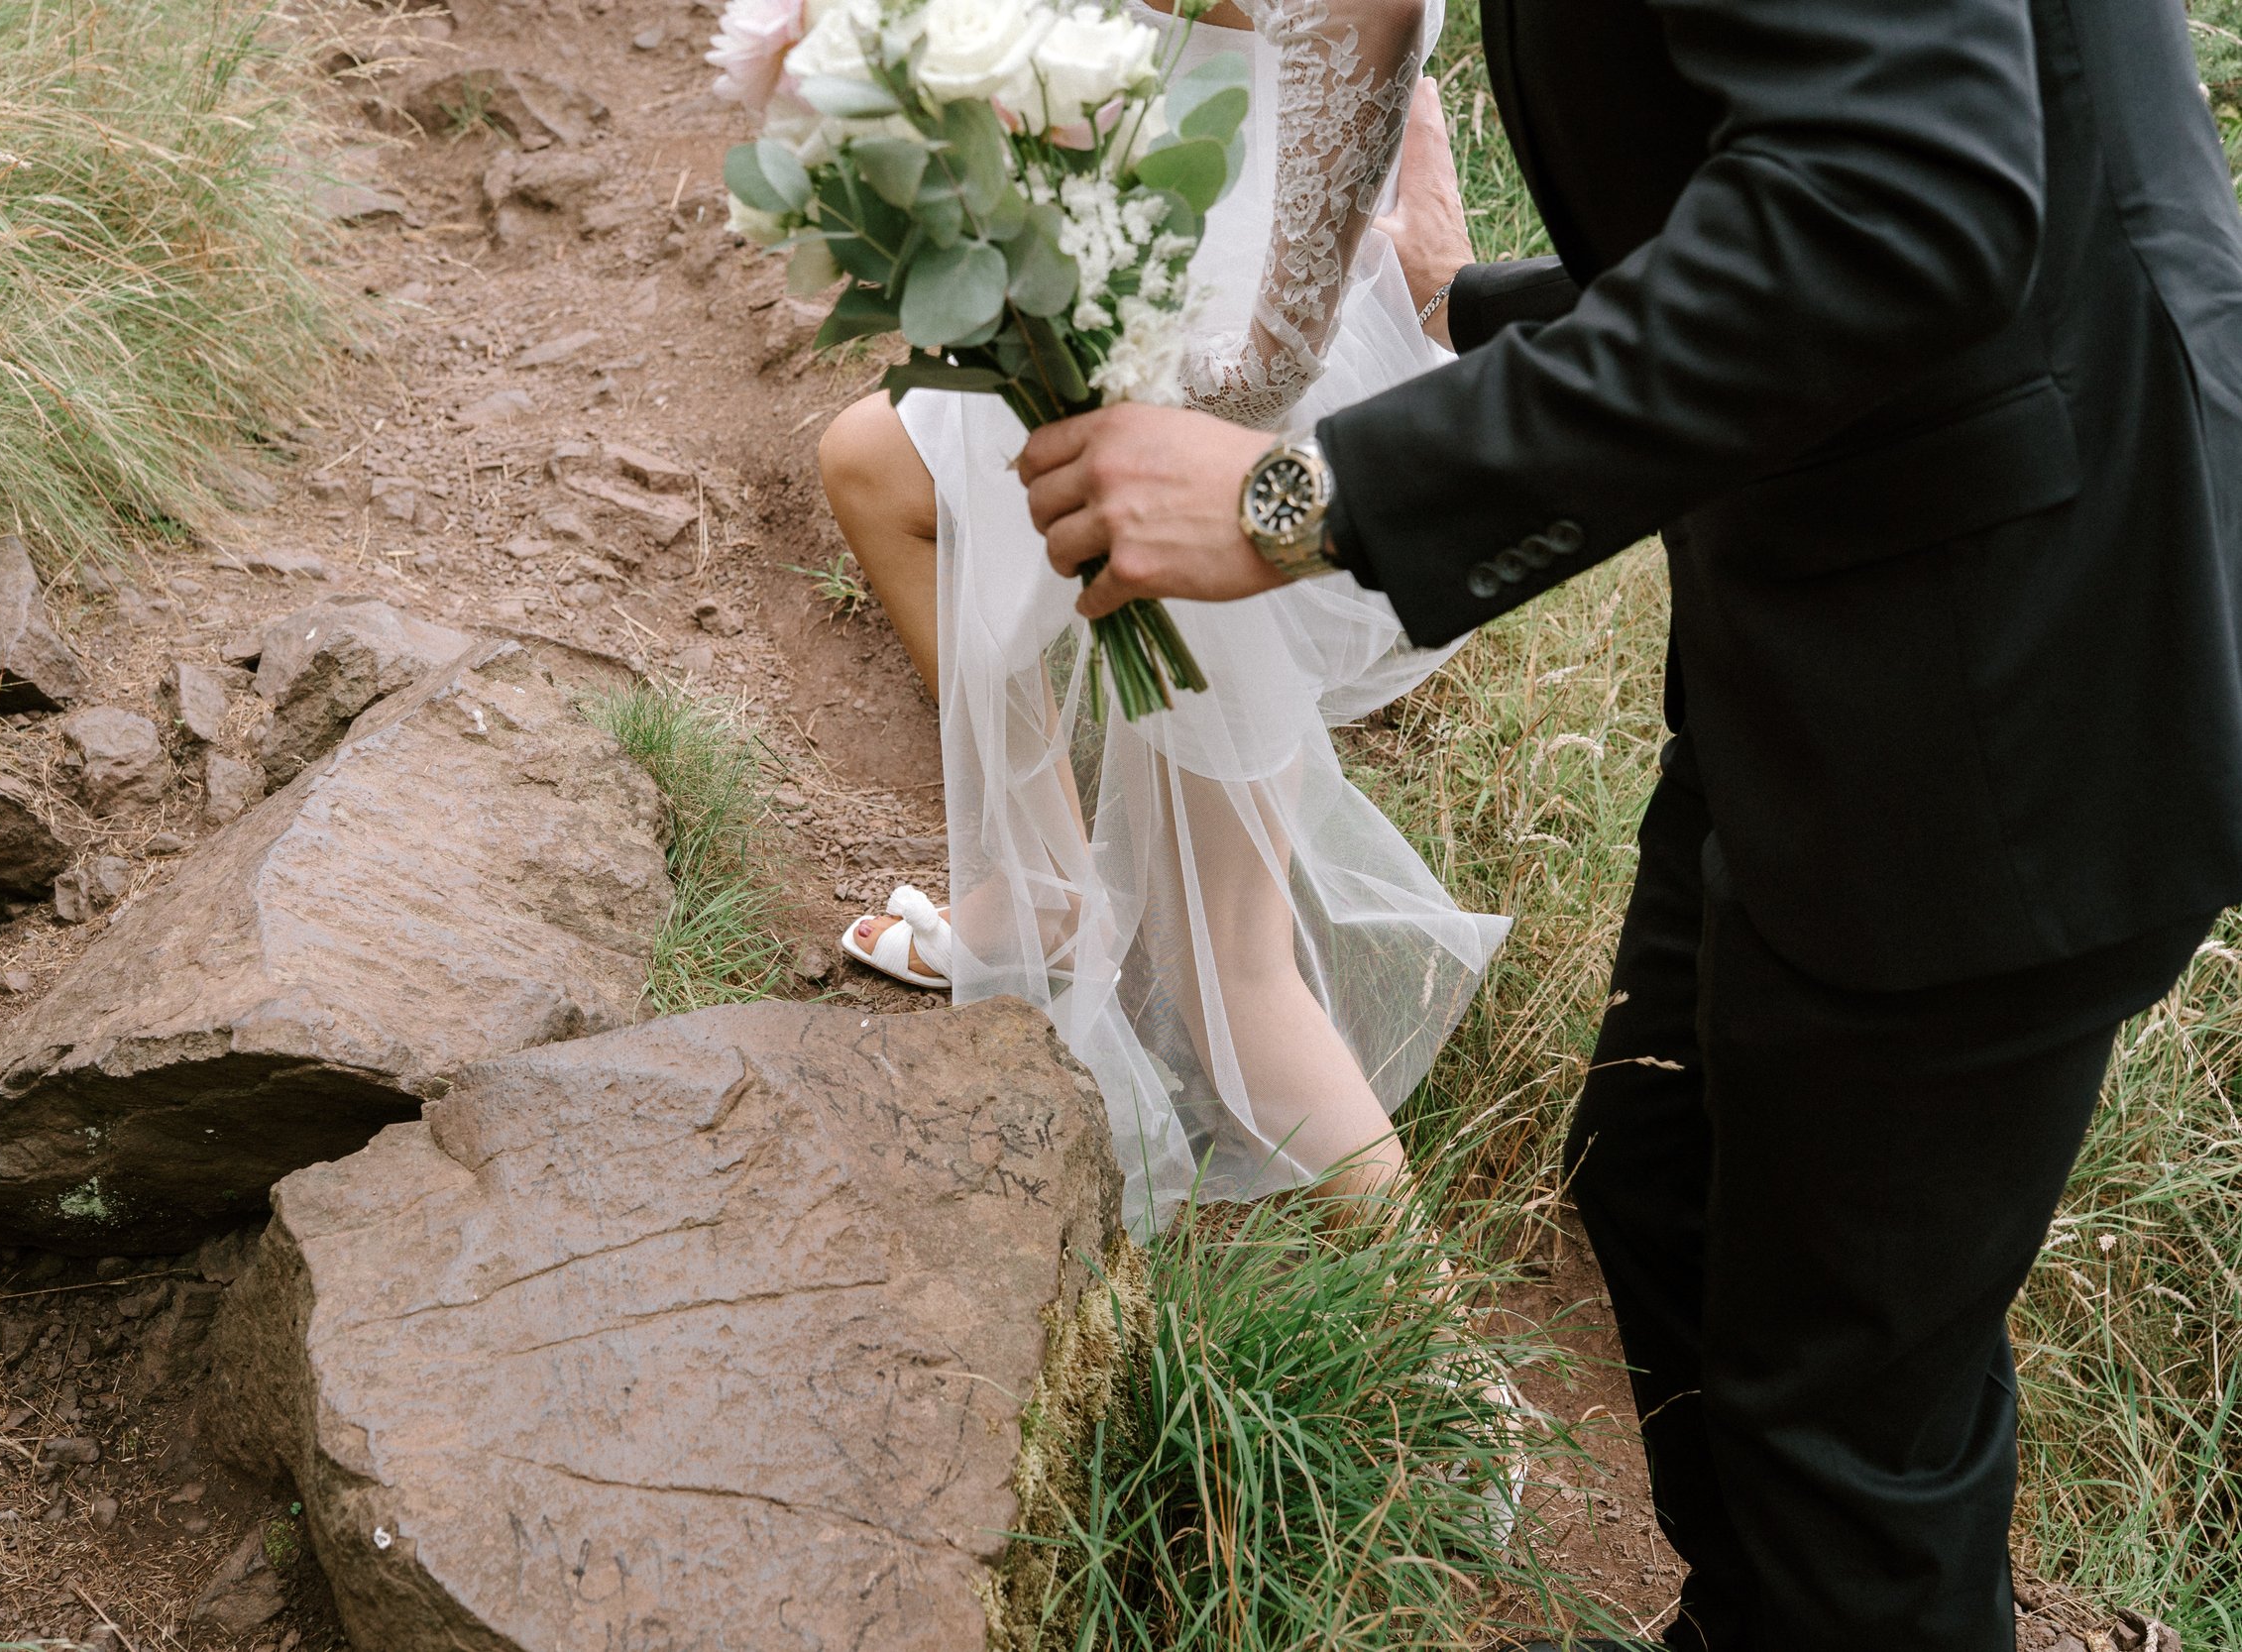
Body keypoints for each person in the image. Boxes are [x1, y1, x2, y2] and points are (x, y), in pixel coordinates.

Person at [1015, 0, 2242, 1646]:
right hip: (1870, 606)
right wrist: (1476, 314)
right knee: (1664, 1175)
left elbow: (1893, 204)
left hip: (2012, 668)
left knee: (1845, 1435)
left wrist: (1300, 500)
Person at [815, 0, 1512, 1230]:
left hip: (1209, 393)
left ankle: (1447, 1363)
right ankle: (1039, 888)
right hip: (1117, 252)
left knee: (1226, 960)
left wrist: (1071, 357)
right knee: (875, 467)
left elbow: (1266, 375)